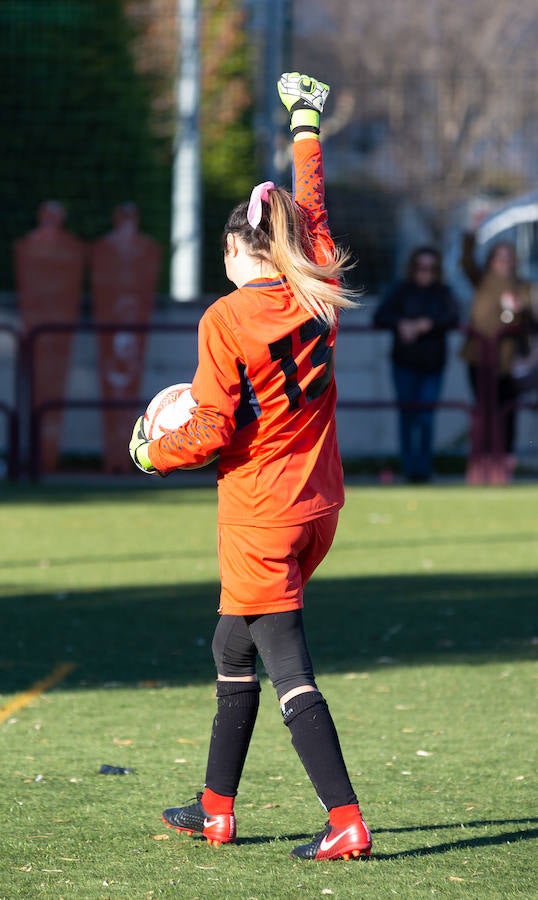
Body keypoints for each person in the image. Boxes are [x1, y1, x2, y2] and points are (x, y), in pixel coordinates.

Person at [129, 73, 372, 861]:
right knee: (231, 650)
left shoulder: (228, 317)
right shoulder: (319, 284)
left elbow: (206, 431)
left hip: (262, 515)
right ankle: (216, 808)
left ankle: (345, 819)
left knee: (286, 665)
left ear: (239, 249)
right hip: (318, 505)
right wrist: (306, 119)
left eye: (228, 250)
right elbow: (318, 210)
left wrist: (148, 452)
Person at [373, 247, 459, 482]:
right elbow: (380, 316)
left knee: (426, 417)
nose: (425, 272)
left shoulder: (443, 292)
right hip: (404, 363)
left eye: (431, 268)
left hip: (433, 364)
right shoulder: (401, 290)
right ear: (413, 268)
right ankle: (410, 469)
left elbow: (453, 316)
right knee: (407, 417)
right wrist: (402, 324)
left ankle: (424, 469)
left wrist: (428, 324)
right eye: (421, 267)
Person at [460, 233, 534, 480]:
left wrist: (519, 309)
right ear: (491, 260)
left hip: (509, 360)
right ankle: (481, 461)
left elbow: (532, 319)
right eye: (498, 257)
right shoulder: (482, 280)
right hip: (479, 358)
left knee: (507, 411)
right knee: (483, 412)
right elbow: (467, 262)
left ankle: (504, 462)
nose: (503, 262)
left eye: (508, 258)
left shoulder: (522, 286)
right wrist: (471, 232)